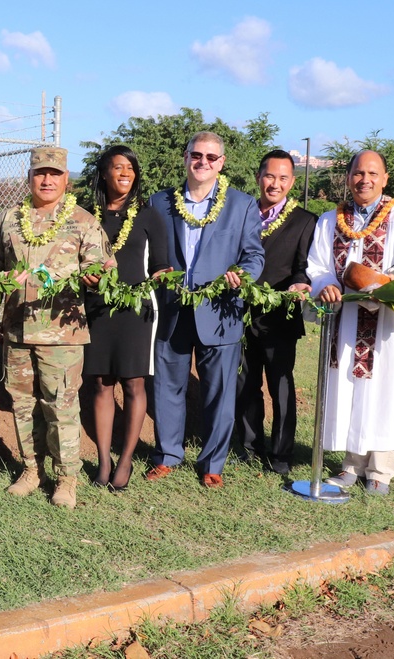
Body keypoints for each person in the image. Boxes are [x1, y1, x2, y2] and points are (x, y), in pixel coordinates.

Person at [308, 150, 394, 495]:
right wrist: (325, 285)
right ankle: (351, 465)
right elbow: (319, 265)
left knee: (385, 390)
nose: (364, 180)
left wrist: (384, 288)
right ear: (348, 177)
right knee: (351, 388)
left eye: (372, 173)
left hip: (387, 324)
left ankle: (381, 469)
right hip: (348, 321)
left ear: (385, 179)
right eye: (357, 173)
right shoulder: (331, 220)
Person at [0, 146, 111, 509]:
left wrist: (96, 275)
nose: (47, 179)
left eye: (55, 173)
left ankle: (66, 478)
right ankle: (32, 469)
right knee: (22, 404)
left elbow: (102, 265)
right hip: (17, 329)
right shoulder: (9, 218)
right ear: (29, 176)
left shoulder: (82, 220)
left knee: (61, 405)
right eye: (40, 173)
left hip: (62, 333)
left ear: (66, 178)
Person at [146, 131, 264, 488]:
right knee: (167, 387)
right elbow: (149, 253)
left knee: (219, 391)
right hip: (173, 310)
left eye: (211, 158)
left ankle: (213, 463)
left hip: (221, 310)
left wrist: (242, 276)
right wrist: (154, 272)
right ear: (185, 158)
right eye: (196, 155)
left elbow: (254, 255)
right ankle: (168, 455)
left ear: (221, 163)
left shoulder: (241, 205)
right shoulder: (159, 202)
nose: (203, 163)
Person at [83, 145, 170, 492]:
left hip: (137, 310)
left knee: (134, 384)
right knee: (101, 383)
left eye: (130, 168)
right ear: (104, 172)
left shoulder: (148, 216)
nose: (124, 173)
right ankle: (104, 459)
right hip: (98, 309)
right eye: (117, 167)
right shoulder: (84, 215)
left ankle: (126, 459)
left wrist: (163, 276)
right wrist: (84, 275)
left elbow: (161, 263)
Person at [234, 150, 317, 476]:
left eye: (283, 178)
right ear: (259, 177)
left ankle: (281, 454)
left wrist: (300, 285)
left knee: (281, 387)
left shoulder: (304, 221)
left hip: (280, 318)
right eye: (270, 176)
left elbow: (303, 268)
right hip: (240, 314)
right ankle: (251, 448)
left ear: (292, 182)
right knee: (246, 384)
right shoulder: (242, 213)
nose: (275, 184)